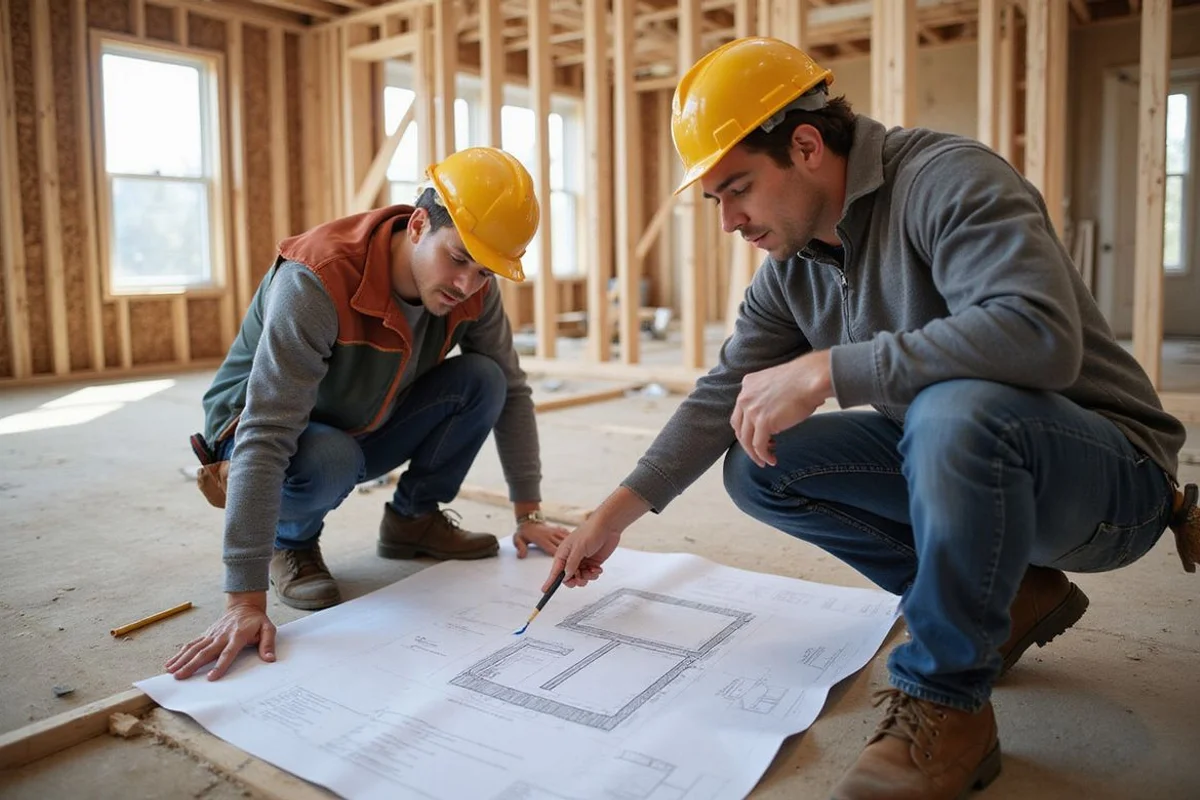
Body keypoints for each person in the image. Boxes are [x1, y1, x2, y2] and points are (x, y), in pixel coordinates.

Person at [544, 37, 1199, 800]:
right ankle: (1013, 591)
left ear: (808, 144)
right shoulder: (791, 269)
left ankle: (947, 699)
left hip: (1108, 478)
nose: (728, 220)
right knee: (761, 458)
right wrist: (613, 515)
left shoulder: (946, 178)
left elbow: (1038, 336)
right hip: (965, 448)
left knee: (955, 405)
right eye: (715, 198)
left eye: (739, 188)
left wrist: (830, 368)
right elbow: (725, 392)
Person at [168, 146, 569, 682]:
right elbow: (267, 431)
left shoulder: (474, 289)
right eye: (457, 259)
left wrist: (529, 514)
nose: (466, 285)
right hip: (263, 431)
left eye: (485, 272)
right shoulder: (318, 277)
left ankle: (412, 521)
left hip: (365, 417)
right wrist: (243, 598)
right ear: (419, 224)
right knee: (330, 455)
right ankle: (290, 543)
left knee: (485, 380)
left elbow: (513, 395)